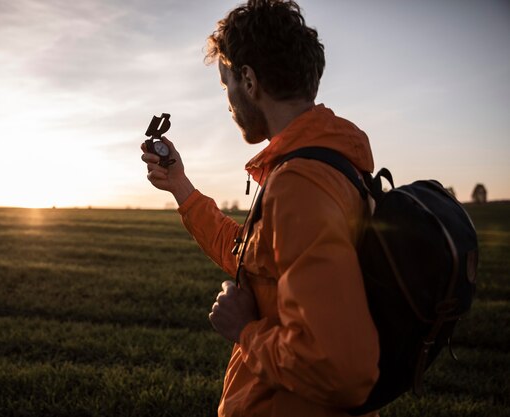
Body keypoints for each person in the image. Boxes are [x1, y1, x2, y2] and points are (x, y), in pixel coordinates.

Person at [141, 1, 380, 416]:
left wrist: (244, 331)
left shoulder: (300, 184)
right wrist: (181, 187)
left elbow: (341, 369)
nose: (228, 102)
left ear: (248, 80)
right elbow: (250, 258)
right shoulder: (327, 164)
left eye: (225, 85)